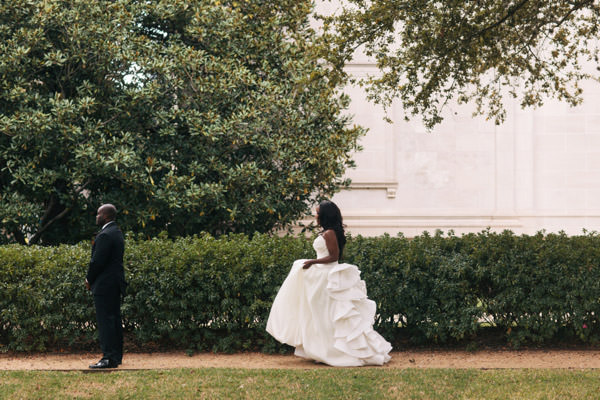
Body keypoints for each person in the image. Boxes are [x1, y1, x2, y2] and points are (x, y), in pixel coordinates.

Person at [266, 200, 392, 366]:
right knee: (320, 315)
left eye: (318, 213)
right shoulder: (327, 232)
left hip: (327, 278)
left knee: (326, 315)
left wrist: (313, 261)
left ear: (325, 215)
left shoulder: (330, 233)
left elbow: (334, 256)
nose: (316, 216)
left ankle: (335, 352)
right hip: (320, 277)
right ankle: (323, 350)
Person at [86, 204, 126, 369]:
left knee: (105, 322)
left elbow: (97, 262)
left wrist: (89, 278)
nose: (96, 217)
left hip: (104, 284)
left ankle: (108, 358)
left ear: (106, 216)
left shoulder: (105, 235)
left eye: (98, 214)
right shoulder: (116, 232)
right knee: (114, 320)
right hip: (115, 283)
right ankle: (116, 356)